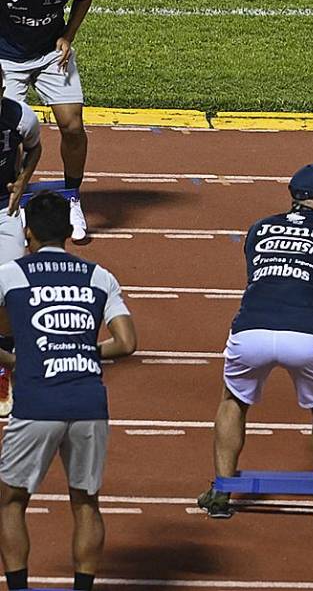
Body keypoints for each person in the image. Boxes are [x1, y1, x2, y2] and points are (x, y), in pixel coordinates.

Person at [197, 163, 313, 523]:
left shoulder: (258, 228)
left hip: (251, 330)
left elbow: (261, 277)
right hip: (306, 335)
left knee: (233, 401)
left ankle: (221, 491)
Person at [0, 192, 137, 591]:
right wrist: (82, 350)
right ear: (68, 232)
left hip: (37, 402)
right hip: (88, 402)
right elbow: (127, 343)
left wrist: (15, 360)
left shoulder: (12, 274)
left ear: (28, 233)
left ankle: (20, 588)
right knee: (86, 502)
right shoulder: (99, 276)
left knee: (11, 501)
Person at [0, 0, 94, 242]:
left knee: (73, 126)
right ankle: (14, 200)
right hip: (7, 59)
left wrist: (68, 35)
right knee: (9, 132)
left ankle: (72, 197)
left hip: (52, 55)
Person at [0, 79, 42, 416]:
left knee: (11, 288)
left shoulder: (19, 116)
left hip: (4, 209)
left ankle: (3, 369)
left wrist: (23, 180)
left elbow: (35, 147)